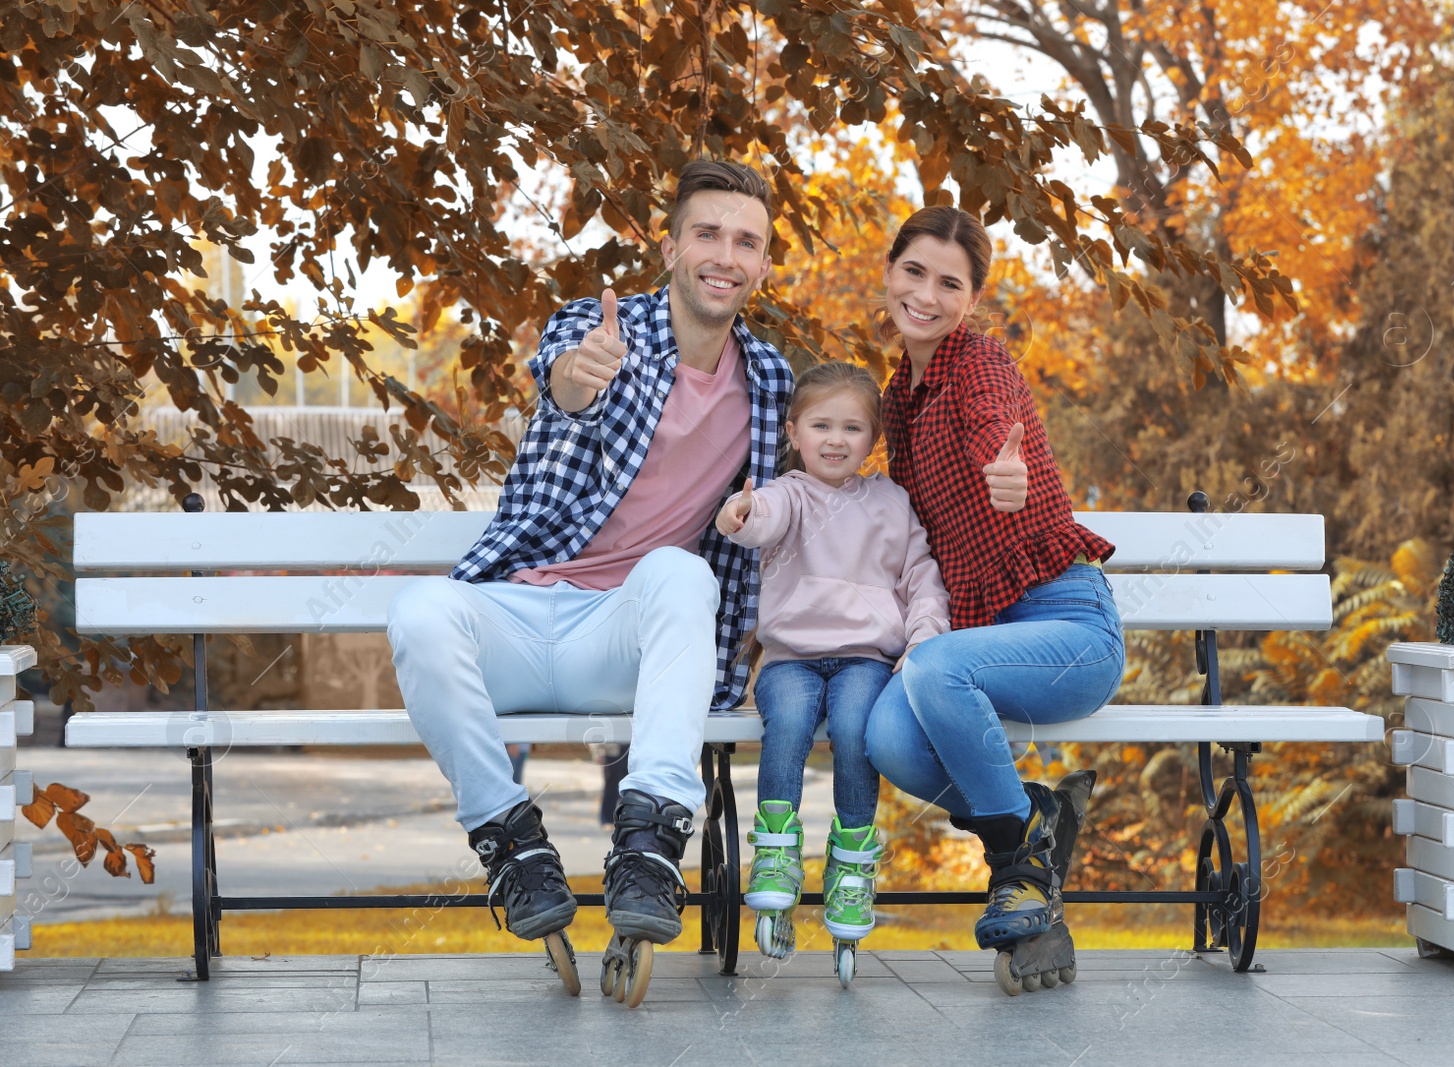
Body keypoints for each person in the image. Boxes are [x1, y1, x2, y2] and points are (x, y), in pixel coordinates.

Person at [386, 161, 793, 993]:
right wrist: (577, 379)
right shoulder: (599, 328)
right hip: (520, 612)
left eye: (745, 241)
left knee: (679, 572)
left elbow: (793, 512)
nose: (725, 253)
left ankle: (648, 844)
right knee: (423, 608)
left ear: (763, 265)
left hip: (624, 633)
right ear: (672, 245)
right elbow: (569, 382)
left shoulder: (771, 382)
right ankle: (511, 841)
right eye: (707, 233)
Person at [862, 206, 1125, 976]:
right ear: (889, 273)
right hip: (983, 641)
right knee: (886, 735)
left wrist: (1004, 477)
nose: (928, 295)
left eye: (951, 283)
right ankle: (1031, 826)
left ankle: (1018, 866)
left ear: (971, 301)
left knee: (937, 668)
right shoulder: (896, 402)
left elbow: (993, 429)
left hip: (1067, 629)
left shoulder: (979, 364)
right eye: (915, 272)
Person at [714, 362, 949, 964]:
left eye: (852, 428)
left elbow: (922, 578)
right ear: (794, 432)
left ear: (872, 441)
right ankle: (776, 850)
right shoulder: (788, 493)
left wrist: (923, 638)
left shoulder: (892, 503)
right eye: (821, 425)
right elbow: (761, 516)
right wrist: (739, 516)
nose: (836, 440)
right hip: (792, 658)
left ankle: (850, 864)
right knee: (788, 724)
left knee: (855, 731)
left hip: (865, 660)